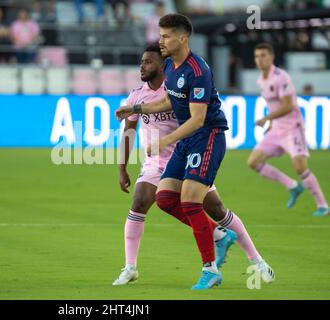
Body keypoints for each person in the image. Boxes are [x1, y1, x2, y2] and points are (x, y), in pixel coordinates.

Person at [113, 44, 275, 287]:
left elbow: (197, 118)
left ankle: (256, 259)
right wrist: (122, 167)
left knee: (217, 209)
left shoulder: (181, 86)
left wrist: (173, 139)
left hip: (187, 154)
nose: (142, 66)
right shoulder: (137, 95)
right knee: (141, 200)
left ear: (161, 65)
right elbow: (129, 132)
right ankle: (130, 267)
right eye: (142, 62)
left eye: (148, 62)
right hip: (157, 163)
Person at [116, 13, 230, 290]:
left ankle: (229, 260)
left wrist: (165, 142)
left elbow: (198, 119)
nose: (161, 40)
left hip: (201, 141)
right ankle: (132, 266)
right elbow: (162, 104)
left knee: (207, 206)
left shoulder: (197, 70)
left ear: (182, 38)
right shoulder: (170, 71)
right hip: (175, 151)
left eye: (166, 36)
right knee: (162, 200)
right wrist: (136, 109)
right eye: (160, 35)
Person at [247, 43, 328, 217]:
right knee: (254, 161)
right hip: (276, 128)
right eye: (256, 56)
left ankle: (322, 205)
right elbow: (272, 105)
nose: (259, 60)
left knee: (299, 166)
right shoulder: (261, 79)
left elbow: (288, 106)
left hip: (292, 127)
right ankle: (293, 186)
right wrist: (271, 124)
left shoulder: (281, 77)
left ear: (271, 57)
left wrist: (266, 119)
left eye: (263, 55)